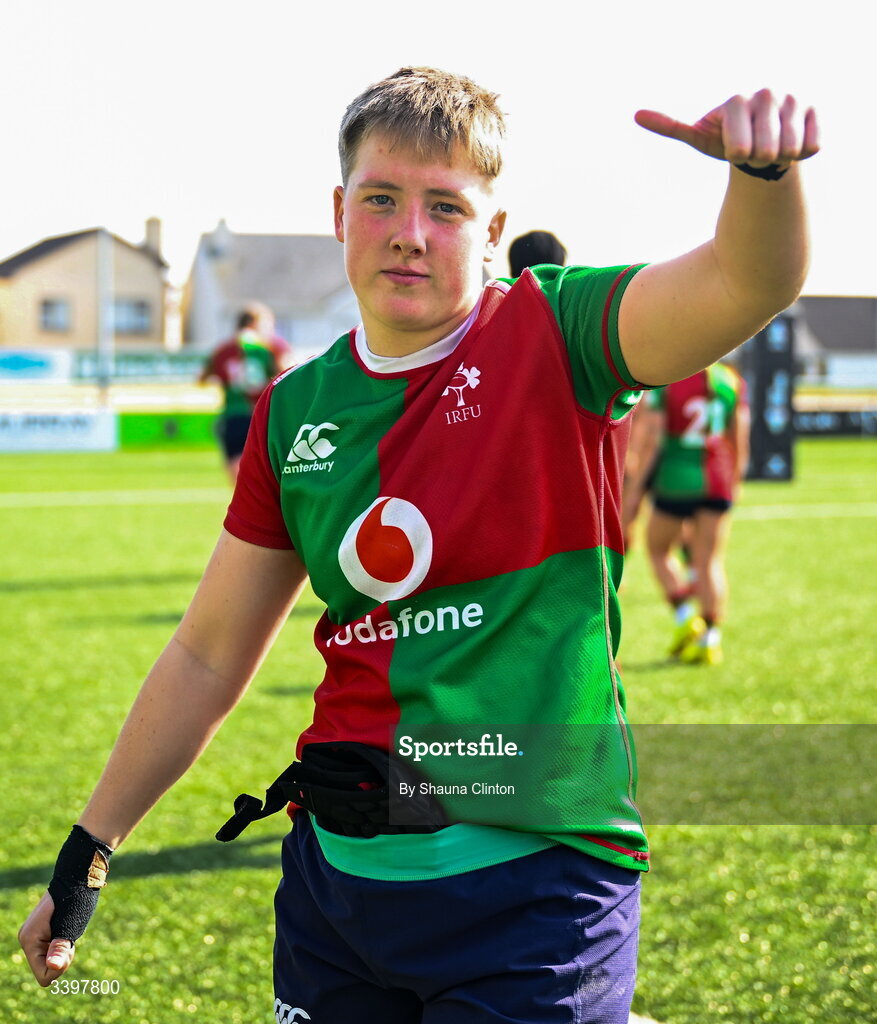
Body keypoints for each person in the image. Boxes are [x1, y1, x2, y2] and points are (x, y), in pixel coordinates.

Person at [19, 67, 818, 1023]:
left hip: (536, 891)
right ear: (339, 213)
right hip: (336, 891)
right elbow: (207, 651)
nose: (409, 230)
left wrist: (762, 177)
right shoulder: (293, 412)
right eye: (382, 199)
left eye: (446, 206)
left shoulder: (556, 333)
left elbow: (746, 281)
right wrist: (89, 849)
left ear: (491, 230)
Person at [634, 362, 751, 665]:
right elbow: (738, 441)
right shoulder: (729, 381)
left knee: (657, 549)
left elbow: (652, 441)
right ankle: (711, 640)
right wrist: (735, 481)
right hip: (717, 478)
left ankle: (686, 617)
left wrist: (635, 492)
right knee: (709, 560)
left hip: (677, 478)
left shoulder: (667, 376)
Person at [199, 307, 292, 482]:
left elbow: (202, 378)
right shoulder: (268, 348)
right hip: (262, 415)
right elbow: (287, 375)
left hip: (233, 414)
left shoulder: (223, 350)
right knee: (268, 473)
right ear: (255, 324)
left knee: (237, 473)